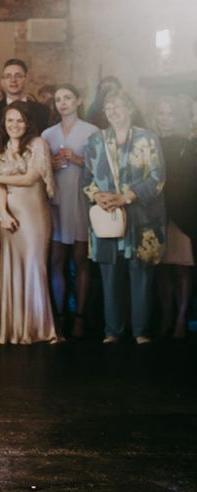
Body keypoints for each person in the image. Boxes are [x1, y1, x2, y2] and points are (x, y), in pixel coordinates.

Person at [83, 88, 166, 345]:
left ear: (130, 108)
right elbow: (87, 177)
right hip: (107, 216)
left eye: (118, 106)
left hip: (141, 217)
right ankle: (112, 331)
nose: (113, 112)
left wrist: (125, 197)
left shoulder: (147, 139)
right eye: (108, 108)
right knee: (109, 274)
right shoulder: (97, 140)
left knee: (140, 273)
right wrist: (97, 196)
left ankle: (140, 330)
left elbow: (157, 178)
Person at [0, 102, 57, 344]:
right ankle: (13, 329)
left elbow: (31, 177)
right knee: (10, 267)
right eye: (10, 121)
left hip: (34, 213)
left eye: (19, 120)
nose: (14, 125)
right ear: (4, 124)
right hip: (8, 215)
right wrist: (2, 212)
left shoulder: (37, 144)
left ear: (27, 123)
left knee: (33, 266)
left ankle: (38, 328)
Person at [41, 84, 99, 338]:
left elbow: (103, 169)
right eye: (58, 99)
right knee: (56, 259)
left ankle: (81, 317)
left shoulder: (92, 131)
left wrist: (78, 160)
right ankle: (60, 315)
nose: (62, 103)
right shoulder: (48, 134)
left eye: (67, 98)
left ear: (78, 101)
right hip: (56, 199)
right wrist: (50, 163)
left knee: (81, 259)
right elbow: (40, 169)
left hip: (81, 198)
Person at [153, 96, 195, 339]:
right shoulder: (149, 141)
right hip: (156, 211)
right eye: (161, 113)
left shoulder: (186, 144)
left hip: (181, 212)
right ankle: (166, 315)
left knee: (182, 267)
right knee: (162, 268)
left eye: (169, 114)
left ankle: (181, 317)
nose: (165, 118)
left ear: (176, 117)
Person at [0, 59, 51, 133]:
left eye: (18, 76)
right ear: (2, 81)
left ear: (26, 79)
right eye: (8, 76)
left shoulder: (42, 111)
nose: (13, 80)